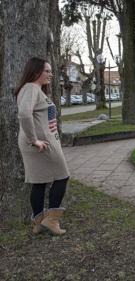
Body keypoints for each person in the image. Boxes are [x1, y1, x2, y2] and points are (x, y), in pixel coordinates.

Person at [16, 57, 70, 235]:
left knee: (38, 182)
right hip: (41, 145)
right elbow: (24, 114)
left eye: (50, 71)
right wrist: (34, 140)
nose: (50, 74)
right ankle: (51, 220)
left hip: (40, 143)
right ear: (36, 71)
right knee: (62, 176)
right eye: (47, 71)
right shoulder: (31, 87)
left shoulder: (35, 89)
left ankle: (39, 223)